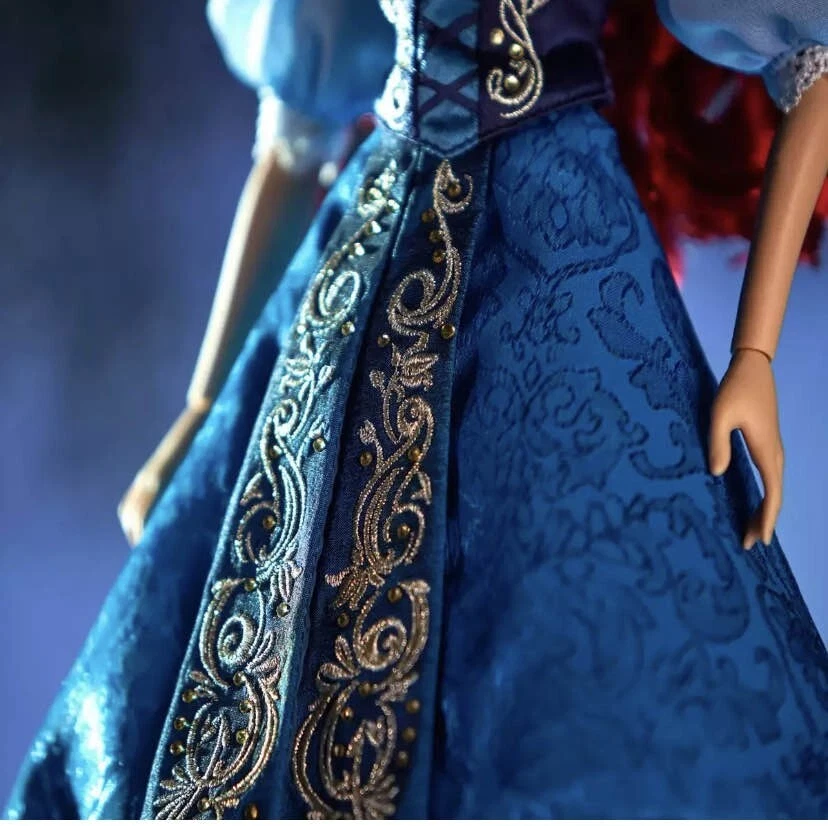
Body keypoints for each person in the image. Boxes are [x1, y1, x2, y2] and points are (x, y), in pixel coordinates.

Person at [6, 0, 828, 818]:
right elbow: (291, 151)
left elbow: (811, 70)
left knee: (574, 631)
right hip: (377, 235)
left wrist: (753, 357)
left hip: (557, 251)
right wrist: (200, 409)